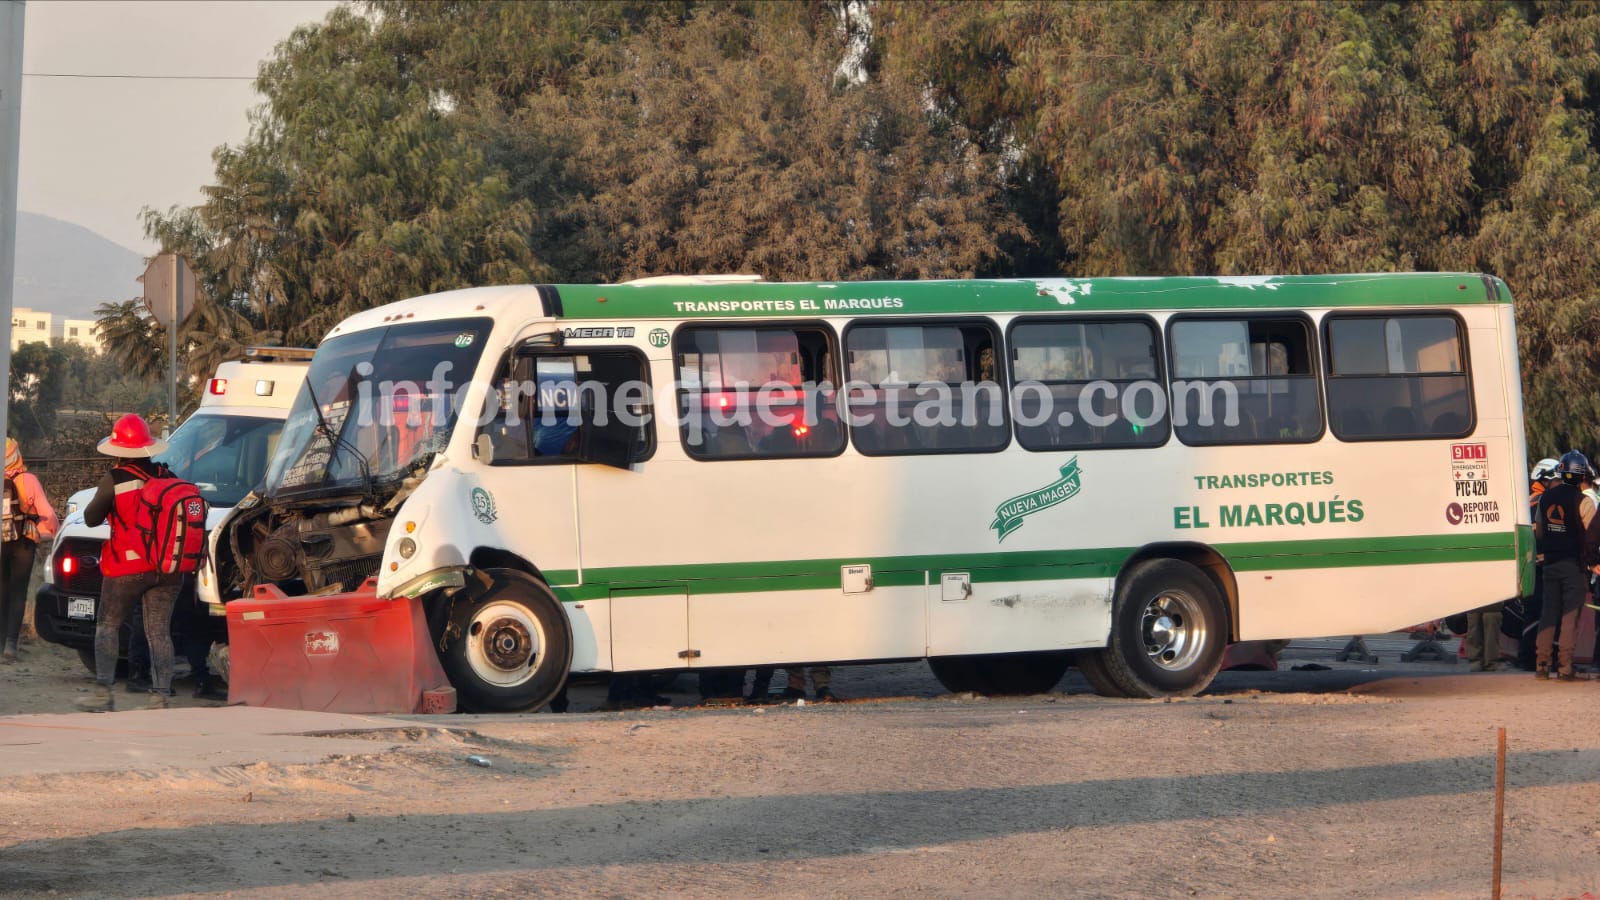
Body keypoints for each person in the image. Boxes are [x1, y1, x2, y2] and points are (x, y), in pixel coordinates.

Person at [75, 415, 182, 712]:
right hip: (167, 568)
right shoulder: (167, 475)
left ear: (118, 449)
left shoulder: (115, 479)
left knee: (107, 626)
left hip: (127, 567)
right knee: (159, 631)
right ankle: (160, 696)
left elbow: (91, 518)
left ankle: (103, 694)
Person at [1532, 450, 1600, 681]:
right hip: (1574, 565)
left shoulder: (1546, 498)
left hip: (1550, 563)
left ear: (1561, 471)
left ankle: (1541, 665)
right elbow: (1592, 537)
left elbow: (1540, 531)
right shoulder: (1584, 501)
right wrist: (1593, 563)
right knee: (1570, 616)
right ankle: (1565, 667)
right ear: (1582, 476)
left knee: (1548, 613)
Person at [0, 439, 58, 663]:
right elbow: (48, 515)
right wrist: (51, 532)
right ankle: (11, 647)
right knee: (18, 593)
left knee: (2, 591)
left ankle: (0, 642)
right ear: (15, 454)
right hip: (24, 542)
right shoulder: (28, 480)